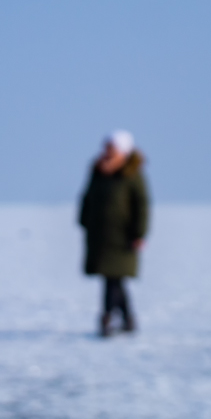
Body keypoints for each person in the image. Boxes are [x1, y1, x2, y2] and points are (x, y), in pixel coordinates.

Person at [78, 130, 150, 337]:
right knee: (114, 279)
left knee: (113, 279)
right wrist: (84, 220)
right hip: (100, 234)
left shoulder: (132, 173)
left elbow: (142, 205)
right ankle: (127, 319)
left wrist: (139, 233)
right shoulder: (98, 170)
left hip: (123, 236)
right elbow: (87, 197)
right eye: (106, 146)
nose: (107, 151)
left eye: (112, 147)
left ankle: (107, 318)